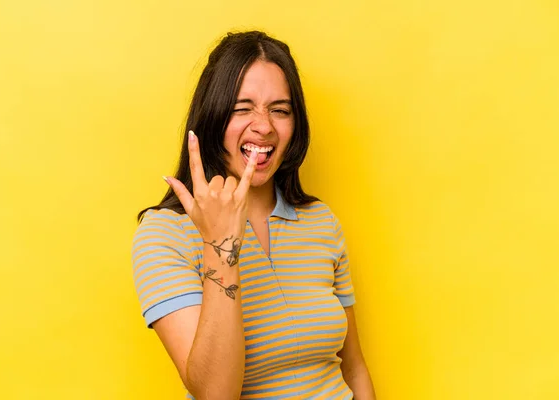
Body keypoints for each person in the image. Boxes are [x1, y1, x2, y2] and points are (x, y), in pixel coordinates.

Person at [132, 30, 376, 400]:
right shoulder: (163, 235)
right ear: (212, 116)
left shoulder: (321, 221)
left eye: (280, 110)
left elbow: (354, 366)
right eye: (242, 108)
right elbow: (216, 393)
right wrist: (220, 244)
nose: (264, 126)